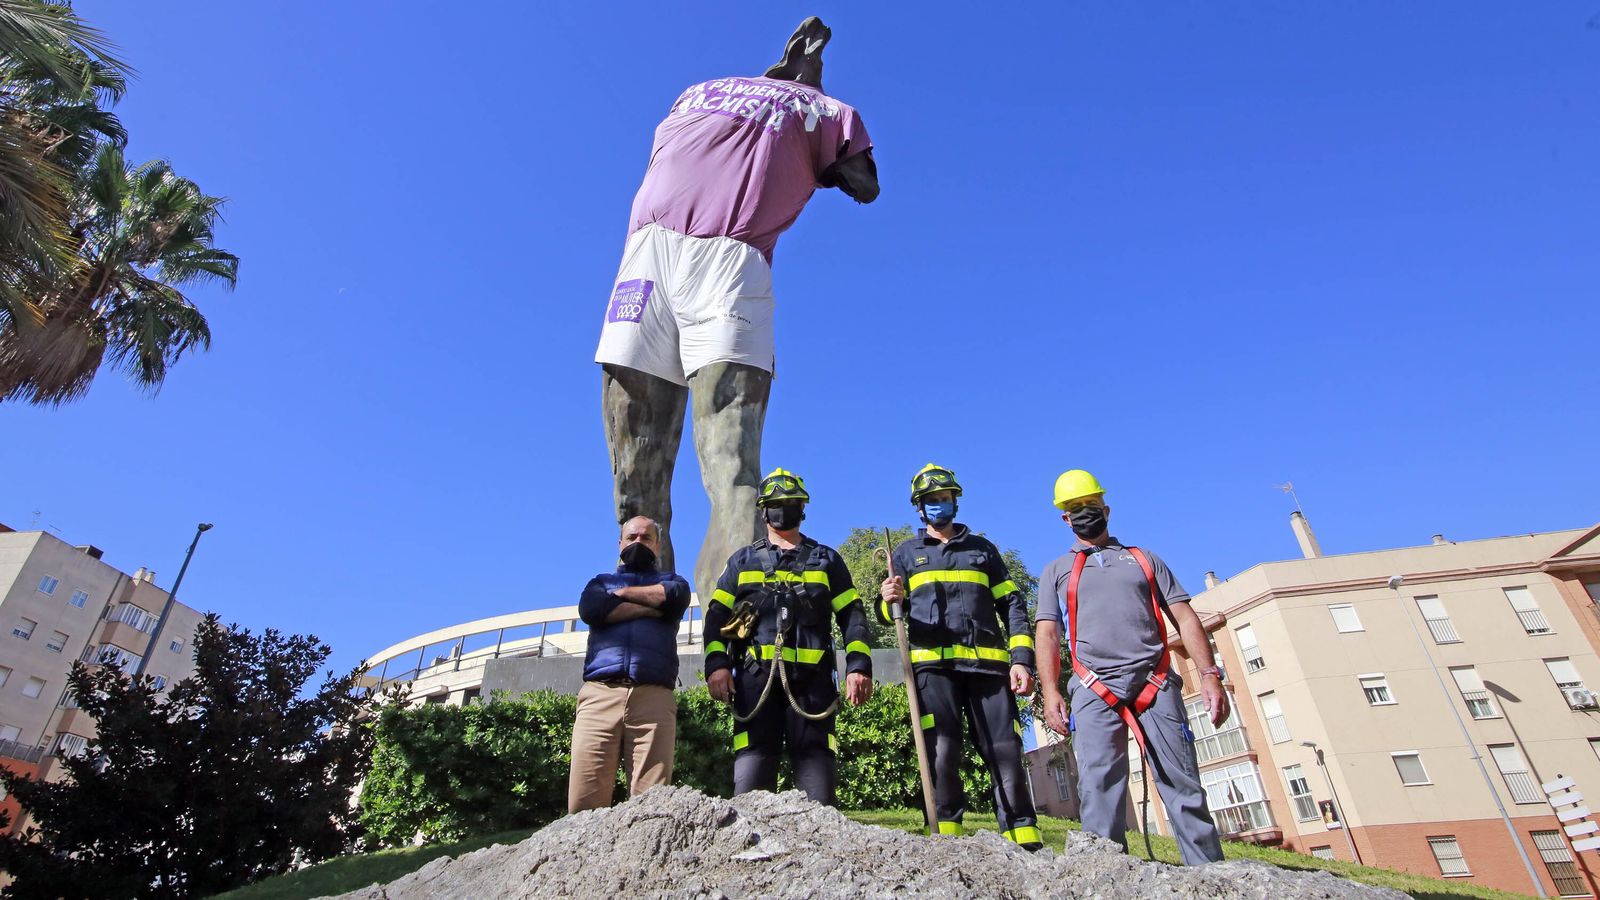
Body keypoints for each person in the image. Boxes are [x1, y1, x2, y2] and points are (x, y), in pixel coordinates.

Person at [595, 17, 880, 611]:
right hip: (725, 258)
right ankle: (725, 616)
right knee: (727, 460)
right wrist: (817, 156)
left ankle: (658, 610)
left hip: (650, 255)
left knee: (642, 459)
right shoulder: (830, 113)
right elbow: (865, 184)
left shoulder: (696, 90)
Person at [1034, 470, 1227, 864]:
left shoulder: (1143, 559)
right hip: (1093, 686)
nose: (1083, 513)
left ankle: (1209, 875)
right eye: (1074, 509)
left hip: (1154, 683)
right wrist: (1051, 691)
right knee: (1098, 788)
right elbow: (1048, 635)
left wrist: (1209, 675)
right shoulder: (1057, 571)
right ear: (1064, 519)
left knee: (1183, 783)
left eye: (1089, 506)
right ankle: (1103, 875)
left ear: (1106, 509)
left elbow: (1185, 618)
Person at [879, 464, 1042, 848]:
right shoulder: (906, 554)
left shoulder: (983, 551)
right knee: (942, 749)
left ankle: (1024, 837)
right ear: (919, 507)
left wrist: (1021, 659)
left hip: (988, 668)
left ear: (955, 500)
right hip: (933, 669)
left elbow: (1013, 606)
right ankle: (946, 838)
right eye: (932, 500)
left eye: (945, 498)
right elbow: (889, 614)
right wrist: (888, 601)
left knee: (1004, 750)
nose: (940, 504)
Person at [702, 468, 873, 805]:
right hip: (755, 684)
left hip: (813, 686)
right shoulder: (742, 561)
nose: (784, 509)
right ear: (764, 510)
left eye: (791, 502)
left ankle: (822, 850)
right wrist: (716, 666)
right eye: (777, 503)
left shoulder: (827, 561)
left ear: (803, 508)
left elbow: (853, 616)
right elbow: (716, 618)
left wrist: (859, 666)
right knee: (751, 778)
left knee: (818, 783)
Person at [568, 516, 693, 813]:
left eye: (646, 537)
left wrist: (620, 596)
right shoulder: (600, 582)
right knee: (584, 802)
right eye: (632, 537)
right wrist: (652, 607)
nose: (638, 542)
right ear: (620, 543)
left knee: (652, 805)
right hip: (600, 693)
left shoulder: (672, 581)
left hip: (653, 697)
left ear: (658, 545)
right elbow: (592, 608)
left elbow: (674, 598)